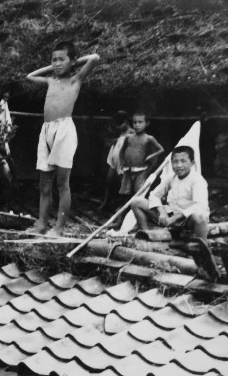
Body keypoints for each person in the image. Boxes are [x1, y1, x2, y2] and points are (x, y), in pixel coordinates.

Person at [26, 41, 100, 236]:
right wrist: (54, 67)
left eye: (61, 59)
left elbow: (95, 58)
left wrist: (74, 64)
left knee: (62, 183)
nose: (57, 63)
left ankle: (59, 227)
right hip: (46, 130)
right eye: (54, 60)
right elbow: (30, 76)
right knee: (44, 183)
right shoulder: (51, 81)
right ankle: (42, 223)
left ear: (72, 61)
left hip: (64, 130)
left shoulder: (76, 79)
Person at [128, 146, 209, 238]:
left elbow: (199, 205)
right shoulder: (171, 177)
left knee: (199, 215)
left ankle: (201, 244)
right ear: (171, 163)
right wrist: (162, 212)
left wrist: (175, 218)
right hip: (170, 215)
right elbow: (154, 195)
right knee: (136, 202)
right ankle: (146, 234)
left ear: (192, 163)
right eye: (175, 162)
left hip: (187, 219)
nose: (179, 165)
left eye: (183, 161)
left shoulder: (197, 180)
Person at [117, 112, 164, 197]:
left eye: (140, 122)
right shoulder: (128, 137)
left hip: (141, 170)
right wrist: (120, 166)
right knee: (125, 192)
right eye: (135, 122)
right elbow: (121, 151)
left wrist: (150, 157)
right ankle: (126, 208)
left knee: (139, 191)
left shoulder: (149, 138)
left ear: (147, 123)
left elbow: (161, 149)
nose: (137, 125)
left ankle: (136, 207)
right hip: (127, 169)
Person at [97, 110, 133, 212]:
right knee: (108, 181)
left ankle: (121, 206)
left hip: (123, 160)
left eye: (120, 124)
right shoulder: (121, 131)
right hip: (114, 158)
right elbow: (120, 139)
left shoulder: (132, 132)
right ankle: (106, 201)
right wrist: (112, 141)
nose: (118, 127)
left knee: (122, 184)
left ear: (126, 121)